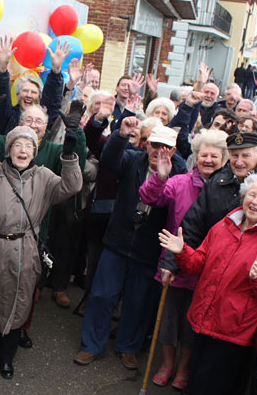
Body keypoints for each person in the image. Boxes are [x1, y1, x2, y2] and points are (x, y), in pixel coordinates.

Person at [0, 126, 82, 379]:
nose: (22, 150)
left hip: (24, 249)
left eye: (28, 146)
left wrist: (69, 158)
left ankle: (5, 357)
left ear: (35, 152)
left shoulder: (44, 177)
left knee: (17, 304)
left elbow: (72, 187)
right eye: (17, 145)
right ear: (9, 150)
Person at [159, 171, 257, 394]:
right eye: (251, 195)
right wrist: (182, 252)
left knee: (213, 387)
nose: (254, 202)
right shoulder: (226, 223)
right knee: (196, 382)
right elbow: (199, 262)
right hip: (203, 319)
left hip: (232, 332)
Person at [74, 117, 187, 369]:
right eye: (155, 144)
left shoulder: (180, 172)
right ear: (146, 144)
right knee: (103, 295)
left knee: (138, 300)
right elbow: (110, 159)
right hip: (118, 240)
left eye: (166, 147)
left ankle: (129, 346)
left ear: (175, 150)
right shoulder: (133, 159)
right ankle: (91, 345)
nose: (160, 151)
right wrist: (121, 135)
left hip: (149, 247)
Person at [138, 129, 229, 390]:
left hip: (207, 271)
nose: (208, 160)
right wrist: (161, 176)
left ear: (223, 158)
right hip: (174, 265)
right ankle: (166, 364)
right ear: (195, 157)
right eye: (203, 155)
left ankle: (184, 368)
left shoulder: (231, 190)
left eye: (214, 155)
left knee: (192, 324)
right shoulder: (180, 182)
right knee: (167, 319)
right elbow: (149, 198)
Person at [0, 35, 70, 135]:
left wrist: (56, 71)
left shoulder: (44, 119)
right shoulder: (9, 117)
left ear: (39, 97)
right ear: (18, 95)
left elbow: (52, 100)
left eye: (33, 92)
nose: (29, 95)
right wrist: (2, 69)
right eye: (25, 91)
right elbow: (2, 99)